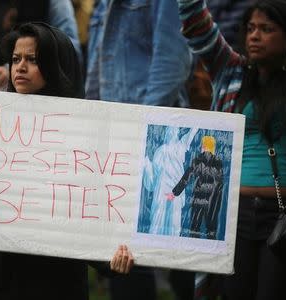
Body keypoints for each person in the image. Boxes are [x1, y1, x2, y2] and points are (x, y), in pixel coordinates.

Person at [0, 22, 134, 299]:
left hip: (56, 285)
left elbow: (96, 213)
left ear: (57, 67)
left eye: (33, 60)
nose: (20, 67)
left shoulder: (87, 137)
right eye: (15, 59)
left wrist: (112, 257)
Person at [176, 0, 286, 299]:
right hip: (234, 216)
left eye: (267, 29)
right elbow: (196, 22)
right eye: (251, 28)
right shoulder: (230, 72)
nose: (254, 36)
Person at [85, 1, 193, 299]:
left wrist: (145, 126)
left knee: (171, 239)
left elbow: (172, 60)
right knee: (124, 247)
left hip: (154, 133)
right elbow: (97, 65)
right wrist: (91, 119)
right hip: (116, 131)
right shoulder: (103, 3)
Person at [142, 127, 198, 236]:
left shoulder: (180, 146)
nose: (172, 133)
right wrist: (147, 165)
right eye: (170, 131)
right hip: (162, 188)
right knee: (159, 219)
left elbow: (192, 132)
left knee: (173, 221)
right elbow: (152, 179)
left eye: (174, 131)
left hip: (174, 190)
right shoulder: (162, 150)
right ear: (167, 133)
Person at [170, 136, 224, 240]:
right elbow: (220, 184)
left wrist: (174, 193)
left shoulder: (197, 160)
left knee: (194, 229)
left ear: (203, 146)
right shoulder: (219, 163)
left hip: (198, 199)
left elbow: (186, 178)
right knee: (211, 231)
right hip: (212, 202)